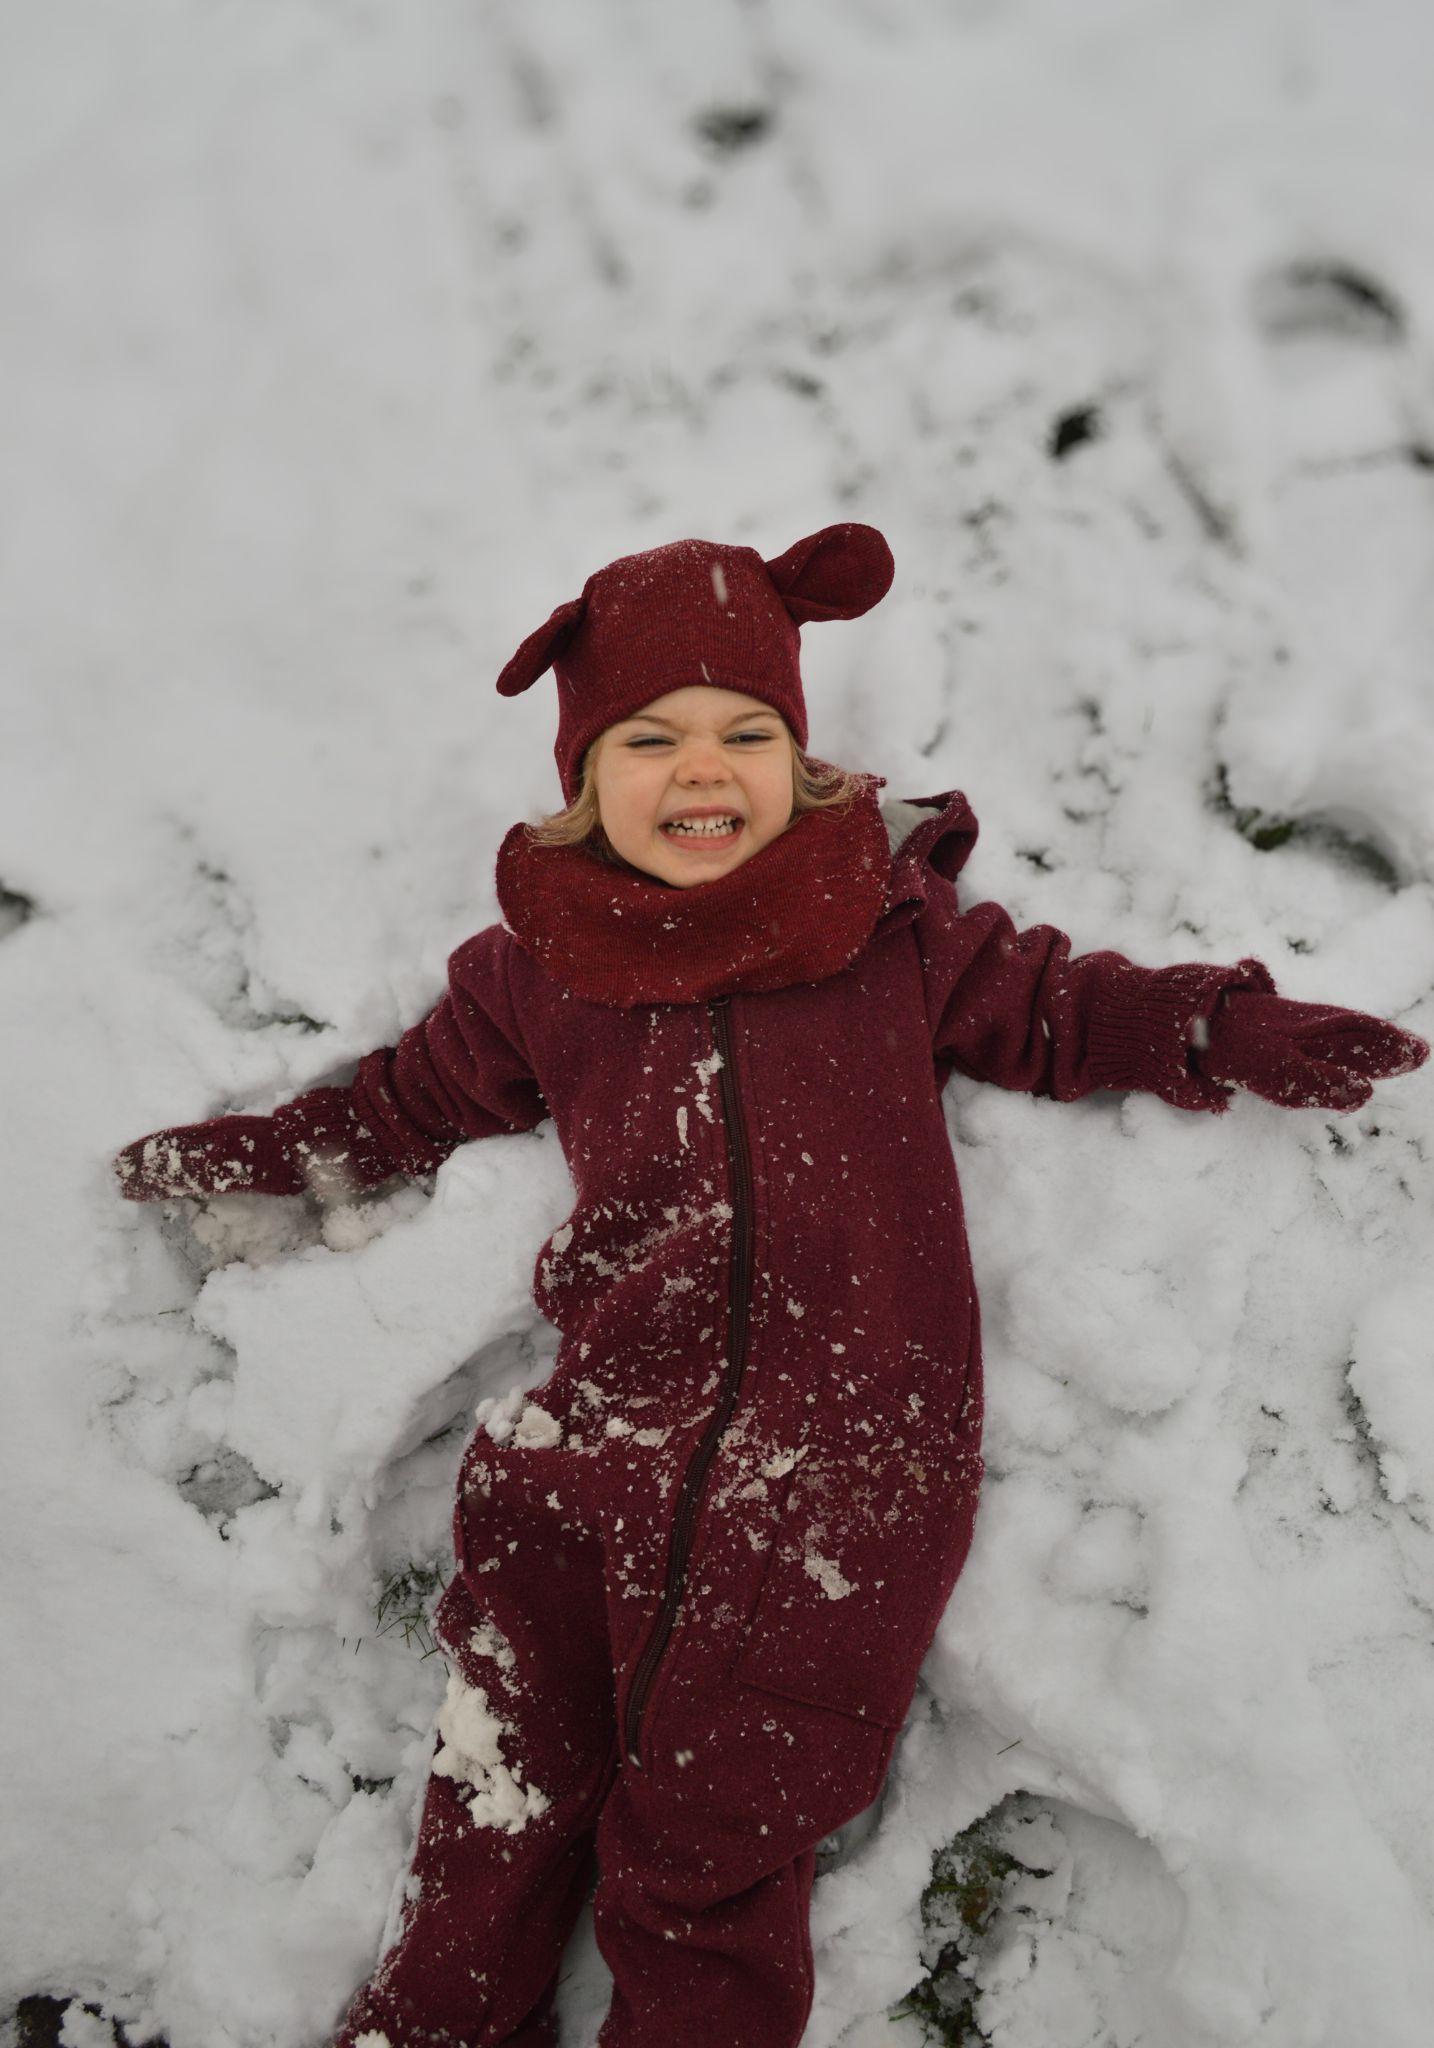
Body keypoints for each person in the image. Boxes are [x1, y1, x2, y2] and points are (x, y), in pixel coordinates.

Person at [113, 523, 1429, 2048]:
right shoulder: (540, 968)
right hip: (600, 1424)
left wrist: (1214, 1027)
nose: (702, 769)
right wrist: (270, 1152)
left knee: (710, 1836)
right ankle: (435, 2023)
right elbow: (411, 1098)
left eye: (745, 734)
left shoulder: (881, 927)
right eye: (649, 739)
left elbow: (1056, 1008)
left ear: (796, 762)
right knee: (499, 1774)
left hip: (839, 1463)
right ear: (581, 778)